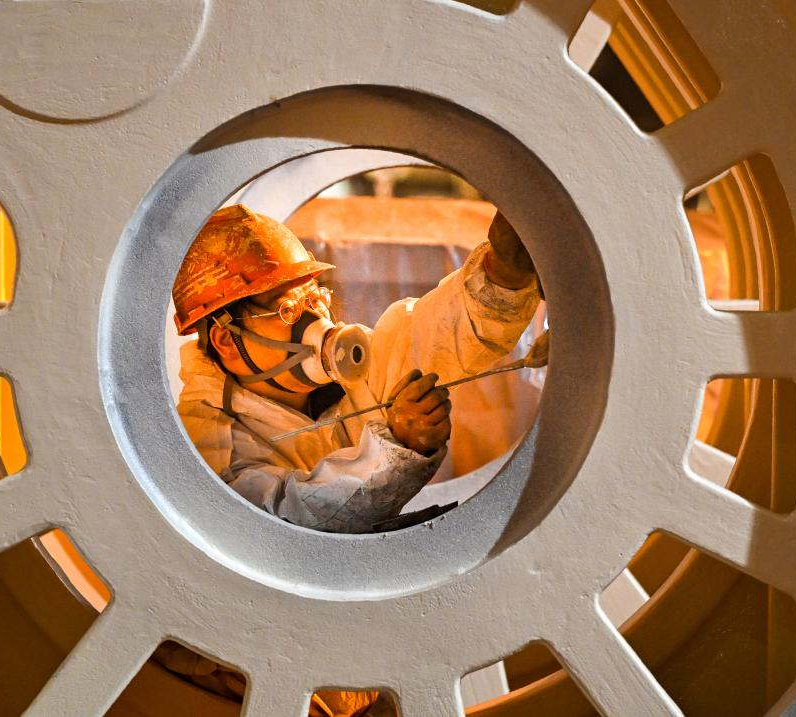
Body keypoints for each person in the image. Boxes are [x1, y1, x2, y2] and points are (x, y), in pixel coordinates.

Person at [173, 203, 540, 534]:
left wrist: (502, 274)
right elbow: (289, 522)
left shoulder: (359, 370)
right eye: (288, 309)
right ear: (226, 339)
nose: (317, 319)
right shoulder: (204, 445)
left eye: (316, 298)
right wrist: (395, 452)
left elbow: (438, 333)